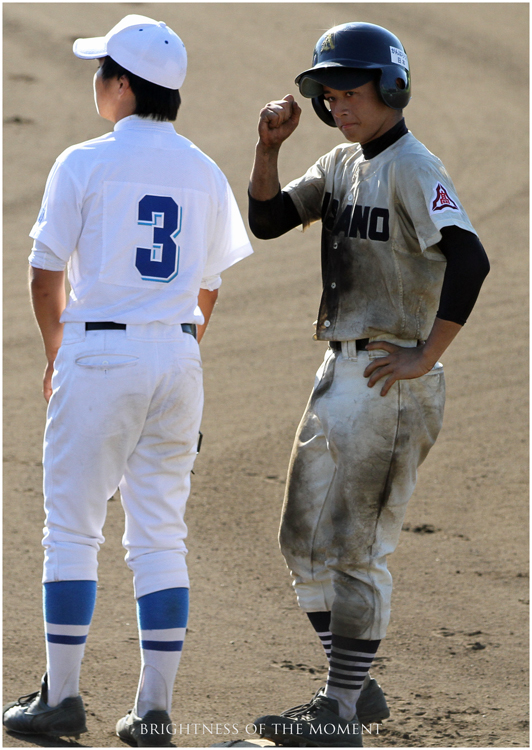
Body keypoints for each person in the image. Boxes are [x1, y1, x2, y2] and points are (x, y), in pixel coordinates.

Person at [3, 14, 253, 748]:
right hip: (178, 358)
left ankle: (64, 700)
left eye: (99, 69)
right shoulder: (204, 170)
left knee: (74, 528)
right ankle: (154, 710)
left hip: (99, 356)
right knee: (159, 534)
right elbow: (207, 287)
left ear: (120, 85)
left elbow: (44, 273)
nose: (94, 80)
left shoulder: (82, 162)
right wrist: (172, 352)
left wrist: (59, 352)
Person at [248, 22, 489, 747]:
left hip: (388, 379)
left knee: (355, 546)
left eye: (351, 92)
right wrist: (268, 149)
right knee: (302, 541)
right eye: (329, 94)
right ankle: (353, 688)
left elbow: (470, 260)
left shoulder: (416, 167)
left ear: (390, 88)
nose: (339, 105)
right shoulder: (342, 163)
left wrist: (424, 355)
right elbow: (266, 219)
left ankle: (341, 710)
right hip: (337, 372)